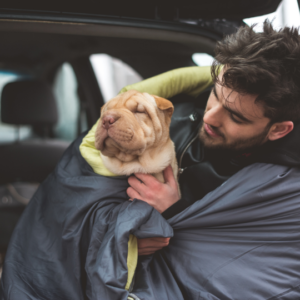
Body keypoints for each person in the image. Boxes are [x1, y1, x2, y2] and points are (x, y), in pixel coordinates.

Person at [126, 21, 300, 255]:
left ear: (278, 130)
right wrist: (122, 237)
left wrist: (175, 214)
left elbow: (241, 261)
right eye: (215, 95)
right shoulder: (172, 117)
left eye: (236, 118)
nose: (209, 117)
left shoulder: (284, 191)